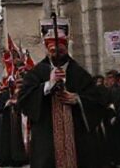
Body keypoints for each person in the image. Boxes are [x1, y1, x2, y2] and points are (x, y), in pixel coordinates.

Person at [17, 24, 106, 168]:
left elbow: (97, 102)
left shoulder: (80, 74)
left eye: (61, 50)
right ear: (47, 50)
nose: (57, 54)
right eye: (53, 50)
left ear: (66, 49)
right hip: (47, 136)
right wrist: (47, 85)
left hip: (77, 137)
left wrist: (78, 99)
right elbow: (24, 100)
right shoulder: (36, 73)